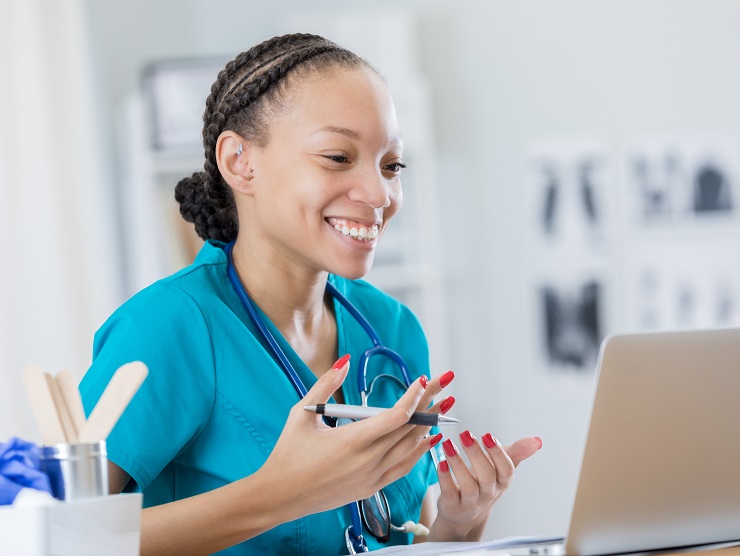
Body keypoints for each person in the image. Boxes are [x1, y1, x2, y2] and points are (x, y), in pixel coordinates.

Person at [80, 33, 542, 555]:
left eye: (391, 165)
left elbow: (414, 534)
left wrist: (461, 522)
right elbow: (47, 540)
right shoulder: (169, 326)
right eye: (337, 156)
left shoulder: (391, 329)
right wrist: (280, 495)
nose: (379, 194)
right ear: (240, 162)